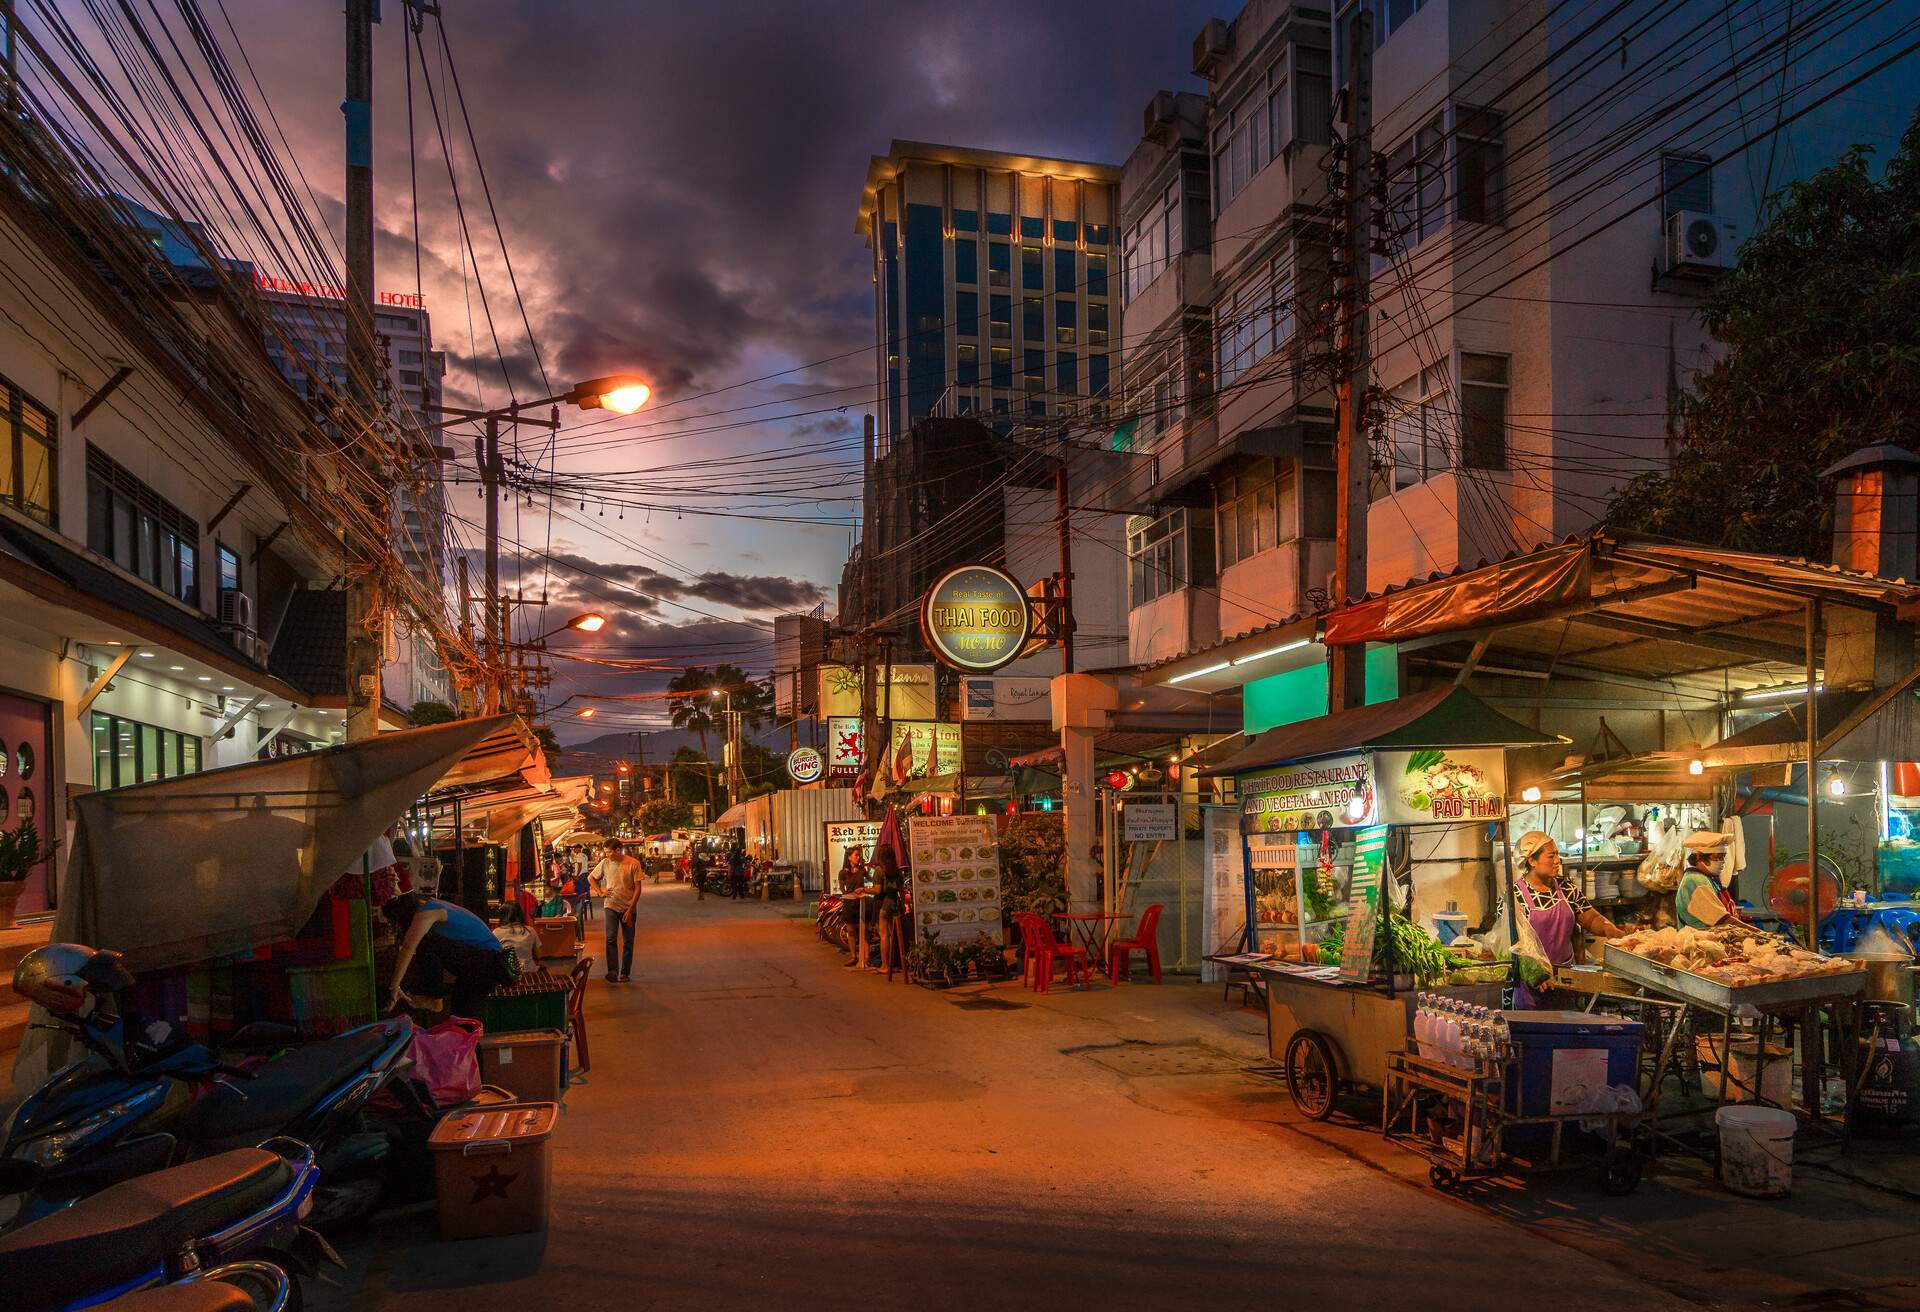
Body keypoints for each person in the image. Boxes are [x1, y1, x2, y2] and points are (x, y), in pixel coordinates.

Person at [1511, 830, 1623, 1008]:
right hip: (1533, 983)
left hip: (1566, 978)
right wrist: (1536, 974)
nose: (1557, 860)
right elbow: (1515, 944)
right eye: (1551, 856)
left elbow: (1590, 917)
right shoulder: (1515, 895)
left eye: (1557, 854)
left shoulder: (1566, 888)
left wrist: (1609, 929)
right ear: (1531, 860)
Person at [383, 890, 516, 1020]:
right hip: (480, 964)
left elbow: (407, 948)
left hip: (486, 963)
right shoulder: (431, 904)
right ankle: (436, 1000)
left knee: (426, 943)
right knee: (460, 1020)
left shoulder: (426, 913)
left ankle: (435, 999)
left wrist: (394, 987)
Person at [590, 841, 642, 981]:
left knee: (628, 941)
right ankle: (612, 971)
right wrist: (600, 892)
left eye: (609, 852)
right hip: (611, 905)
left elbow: (638, 888)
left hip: (628, 908)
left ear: (618, 850)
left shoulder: (633, 863)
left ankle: (625, 973)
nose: (607, 855)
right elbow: (591, 878)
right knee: (610, 938)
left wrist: (630, 909)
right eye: (606, 852)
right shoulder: (605, 863)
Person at [1675, 830, 1746, 929]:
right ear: (1699, 857)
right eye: (1717, 857)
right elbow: (1723, 920)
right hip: (1699, 942)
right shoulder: (1695, 881)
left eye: (1723, 857)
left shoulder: (1708, 879)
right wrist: (1758, 933)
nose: (1722, 862)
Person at [869, 844, 906, 978]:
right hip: (896, 904)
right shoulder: (898, 870)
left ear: (881, 856)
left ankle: (885, 965)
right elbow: (902, 891)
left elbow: (878, 890)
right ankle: (895, 963)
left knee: (884, 935)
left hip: (885, 905)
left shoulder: (879, 870)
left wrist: (865, 890)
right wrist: (904, 905)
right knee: (895, 935)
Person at [493, 903, 541, 973]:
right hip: (529, 972)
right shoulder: (530, 930)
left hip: (508, 975)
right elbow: (539, 955)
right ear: (520, 914)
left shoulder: (496, 932)